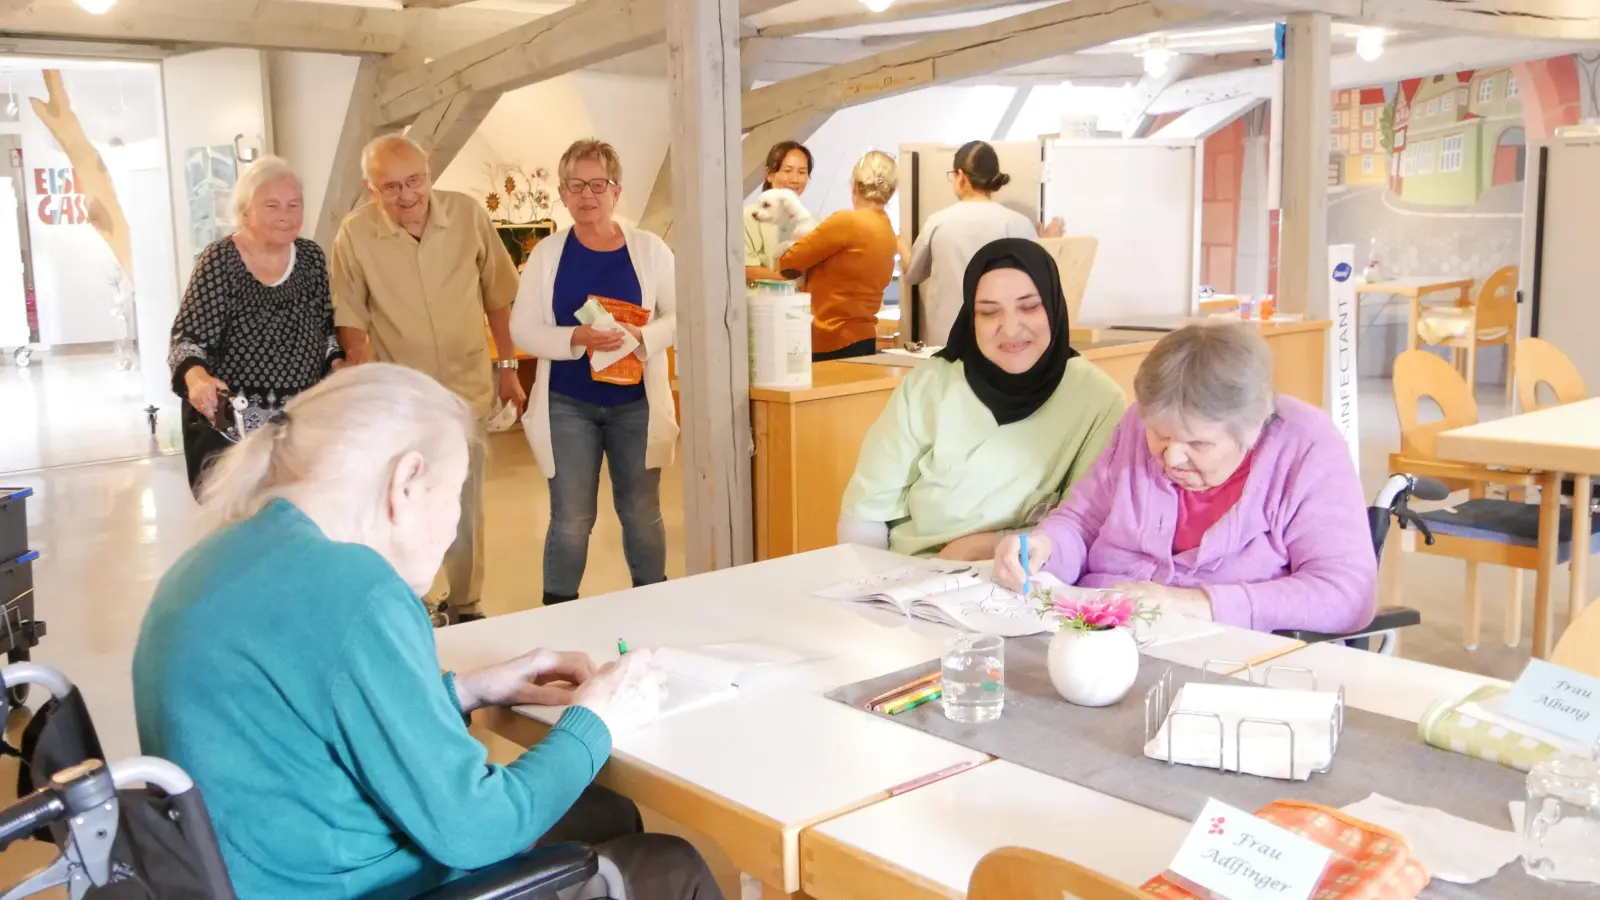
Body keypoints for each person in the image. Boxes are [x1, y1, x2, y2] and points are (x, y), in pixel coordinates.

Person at [132, 364, 721, 900]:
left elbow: (313, 720)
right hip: (368, 888)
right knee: (672, 865)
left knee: (604, 814)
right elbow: (475, 828)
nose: (456, 525)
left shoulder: (209, 562)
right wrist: (598, 718)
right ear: (407, 480)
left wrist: (465, 691)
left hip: (269, 871)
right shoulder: (354, 588)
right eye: (456, 492)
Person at [993, 322, 1377, 635]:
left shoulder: (1306, 447)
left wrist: (1194, 604)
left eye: (1198, 443)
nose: (1172, 457)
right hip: (1100, 637)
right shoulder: (1136, 423)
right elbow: (1081, 523)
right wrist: (1044, 548)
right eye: (1160, 435)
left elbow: (1346, 594)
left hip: (1232, 658)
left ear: (1253, 428)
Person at [330, 134, 524, 625]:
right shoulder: (355, 234)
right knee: (401, 502)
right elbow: (349, 314)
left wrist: (508, 368)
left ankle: (466, 604)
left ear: (430, 172)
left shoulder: (467, 215)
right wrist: (361, 370)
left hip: (467, 390)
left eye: (414, 181)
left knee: (466, 505)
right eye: (390, 187)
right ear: (370, 188)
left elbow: (497, 297)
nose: (407, 195)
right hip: (401, 399)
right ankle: (410, 602)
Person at [838, 239, 1124, 560]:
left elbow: (1085, 525)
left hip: (1031, 574)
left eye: (1029, 307)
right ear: (970, 318)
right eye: (989, 312)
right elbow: (866, 512)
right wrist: (877, 583)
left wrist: (983, 545)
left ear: (1054, 307)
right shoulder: (930, 384)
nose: (1010, 329)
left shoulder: (1097, 399)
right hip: (910, 570)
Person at [510, 139, 678, 606]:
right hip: (568, 404)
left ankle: (654, 605)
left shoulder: (650, 249)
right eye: (576, 185)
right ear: (562, 193)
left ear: (616, 191)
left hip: (636, 404)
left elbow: (682, 315)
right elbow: (522, 328)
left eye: (598, 185)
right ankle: (558, 611)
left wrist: (643, 335)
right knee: (571, 518)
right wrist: (576, 338)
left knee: (641, 511)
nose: (587, 195)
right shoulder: (547, 254)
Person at [169, 155, 341, 495]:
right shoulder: (220, 261)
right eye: (272, 206)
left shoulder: (311, 257)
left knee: (296, 514)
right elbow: (187, 341)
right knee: (242, 519)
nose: (286, 215)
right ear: (245, 211)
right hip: (233, 431)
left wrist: (338, 363)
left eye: (294, 205)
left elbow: (325, 332)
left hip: (298, 427)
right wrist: (197, 378)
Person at [903, 140, 1044, 347]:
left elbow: (914, 275)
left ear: (961, 176)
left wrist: (900, 246)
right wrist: (1051, 243)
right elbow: (1038, 283)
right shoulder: (1018, 224)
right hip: (1001, 337)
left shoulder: (938, 222)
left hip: (947, 339)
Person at [776, 150, 899, 362]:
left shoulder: (846, 222)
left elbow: (788, 262)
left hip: (830, 338)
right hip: (864, 337)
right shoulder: (887, 229)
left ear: (855, 186)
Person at [745, 140, 813, 284]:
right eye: (787, 171)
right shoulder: (749, 216)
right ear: (769, 174)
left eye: (802, 172)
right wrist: (790, 276)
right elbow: (745, 269)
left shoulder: (811, 221)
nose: (795, 179)